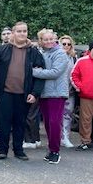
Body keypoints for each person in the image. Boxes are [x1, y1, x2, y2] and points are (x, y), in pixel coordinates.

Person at [0, 22, 45, 160]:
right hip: (5, 93)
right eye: (19, 31)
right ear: (13, 33)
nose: (22, 33)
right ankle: (2, 150)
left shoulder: (33, 52)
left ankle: (18, 150)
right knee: (4, 123)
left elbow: (40, 75)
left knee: (20, 123)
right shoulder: (2, 50)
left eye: (24, 31)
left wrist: (35, 93)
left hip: (24, 94)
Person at [32, 29, 69, 164]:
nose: (48, 42)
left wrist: (34, 72)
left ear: (55, 39)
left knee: (54, 122)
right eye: (45, 39)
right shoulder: (42, 53)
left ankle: (55, 151)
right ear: (41, 41)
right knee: (48, 123)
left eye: (51, 39)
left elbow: (55, 72)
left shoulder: (60, 54)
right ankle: (51, 150)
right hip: (44, 93)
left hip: (57, 93)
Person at [58, 35, 77, 148]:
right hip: (57, 92)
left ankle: (65, 137)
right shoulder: (56, 56)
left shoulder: (73, 58)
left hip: (70, 92)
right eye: (64, 44)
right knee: (56, 116)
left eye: (68, 44)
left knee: (68, 115)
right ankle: (57, 137)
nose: (66, 46)